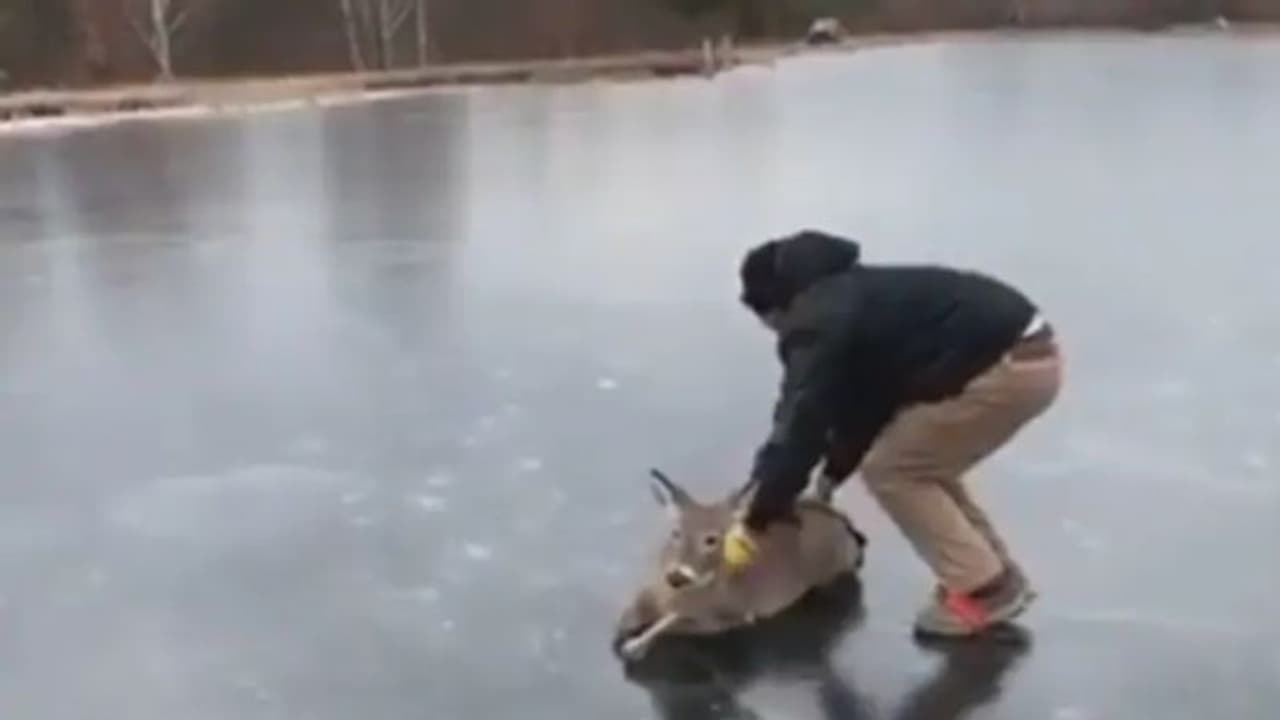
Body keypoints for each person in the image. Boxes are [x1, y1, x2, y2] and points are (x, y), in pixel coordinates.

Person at [720, 229, 1063, 639]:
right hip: (1029, 359)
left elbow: (802, 418)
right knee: (922, 460)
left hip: (1002, 371)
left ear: (775, 306)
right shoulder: (853, 296)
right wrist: (829, 479)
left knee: (895, 470)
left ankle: (983, 589)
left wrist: (761, 513)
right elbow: (867, 407)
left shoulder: (818, 319)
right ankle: (994, 573)